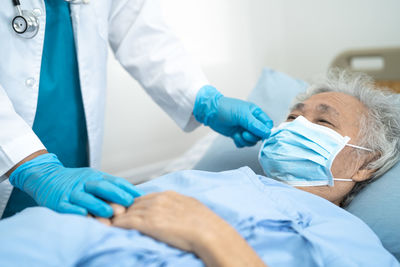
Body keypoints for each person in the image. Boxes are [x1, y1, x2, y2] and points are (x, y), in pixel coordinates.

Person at [1, 70, 399, 266]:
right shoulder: (207, 180)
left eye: (323, 123)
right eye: (293, 118)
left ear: (368, 162)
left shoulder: (353, 241)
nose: (296, 127)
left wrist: (213, 238)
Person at [0, 0, 273, 219]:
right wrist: (31, 165)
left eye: (319, 118)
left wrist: (202, 100)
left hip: (72, 156)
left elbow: (143, 33)